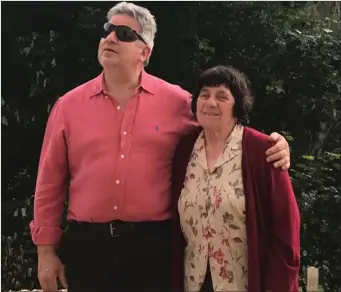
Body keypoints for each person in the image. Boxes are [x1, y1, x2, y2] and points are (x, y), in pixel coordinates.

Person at [30, 2, 292, 292]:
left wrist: (276, 143)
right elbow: (49, 183)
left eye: (124, 34)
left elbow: (223, 127)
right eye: (107, 30)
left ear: (145, 52)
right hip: (88, 248)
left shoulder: (179, 103)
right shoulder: (68, 107)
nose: (111, 38)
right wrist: (45, 252)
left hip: (153, 249)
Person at [172, 65, 300, 292]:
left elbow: (286, 229)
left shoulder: (263, 151)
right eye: (204, 95)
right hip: (193, 281)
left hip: (245, 283)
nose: (210, 102)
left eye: (222, 97)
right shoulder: (184, 150)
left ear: (237, 106)